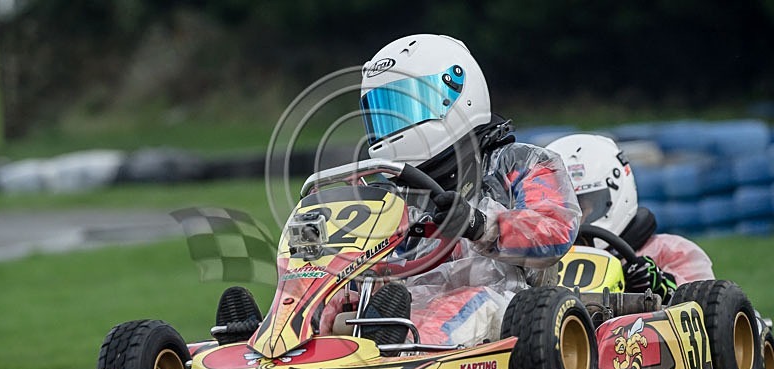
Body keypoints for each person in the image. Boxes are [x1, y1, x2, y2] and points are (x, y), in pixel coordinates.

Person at [216, 34, 581, 348]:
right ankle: (266, 342)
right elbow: (369, 264)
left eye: (404, 107)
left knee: (448, 311)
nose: (394, 123)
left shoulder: (522, 162)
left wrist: (477, 224)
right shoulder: (389, 192)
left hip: (503, 299)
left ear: (455, 93)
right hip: (397, 304)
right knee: (334, 306)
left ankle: (389, 350)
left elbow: (556, 229)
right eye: (384, 113)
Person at [545, 133, 715, 303]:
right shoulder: (537, 265)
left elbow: (705, 308)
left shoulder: (671, 251)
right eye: (558, 210)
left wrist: (660, 286)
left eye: (580, 207)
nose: (569, 219)